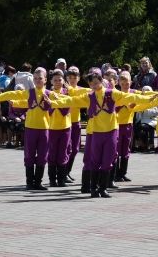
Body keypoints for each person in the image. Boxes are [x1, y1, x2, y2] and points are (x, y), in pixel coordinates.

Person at [53, 68, 145, 197]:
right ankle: (91, 188)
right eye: (91, 84)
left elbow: (131, 96)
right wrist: (53, 103)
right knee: (93, 160)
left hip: (111, 131)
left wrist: (149, 98)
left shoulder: (112, 93)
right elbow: (71, 100)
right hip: (95, 131)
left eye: (96, 82)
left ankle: (103, 188)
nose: (94, 85)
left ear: (101, 81)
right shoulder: (89, 96)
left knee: (107, 159)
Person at [0, 68, 58, 190]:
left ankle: (38, 182)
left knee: (43, 155)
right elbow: (13, 93)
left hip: (44, 129)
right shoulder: (29, 92)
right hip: (31, 127)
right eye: (36, 78)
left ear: (45, 80)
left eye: (40, 78)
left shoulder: (50, 94)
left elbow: (65, 100)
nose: (38, 80)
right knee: (29, 155)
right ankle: (29, 182)